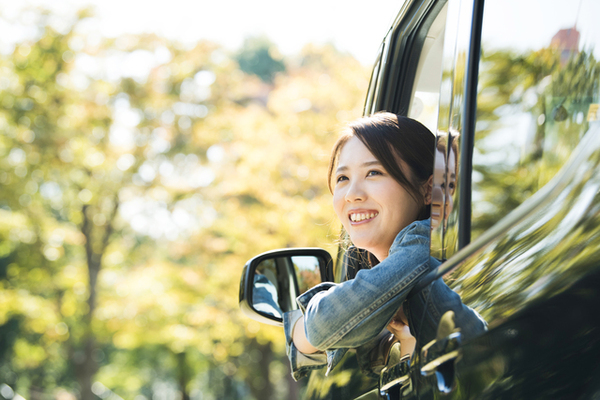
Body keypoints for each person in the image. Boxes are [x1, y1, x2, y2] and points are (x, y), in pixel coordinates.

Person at [283, 112, 486, 380]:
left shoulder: (422, 241)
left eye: (374, 172)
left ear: (429, 190)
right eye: (342, 178)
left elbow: (324, 326)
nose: (353, 194)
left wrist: (301, 327)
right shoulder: (401, 281)